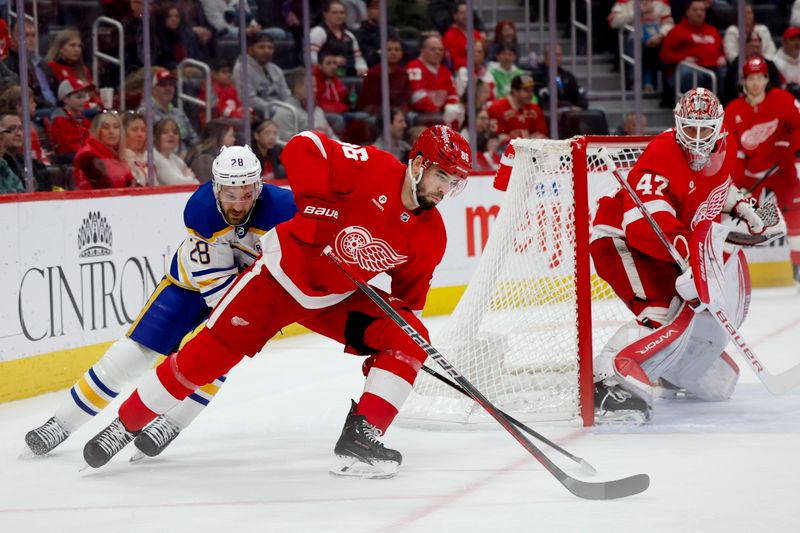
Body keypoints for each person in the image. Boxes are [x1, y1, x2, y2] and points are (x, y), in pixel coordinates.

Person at [82, 126, 473, 478]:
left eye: (455, 182)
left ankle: (362, 434)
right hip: (278, 279)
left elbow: (407, 306)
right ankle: (126, 422)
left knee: (411, 335)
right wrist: (315, 203)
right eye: (443, 176)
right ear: (419, 164)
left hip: (335, 300)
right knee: (207, 356)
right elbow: (304, 145)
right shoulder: (371, 165)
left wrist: (395, 356)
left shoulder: (431, 236)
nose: (445, 189)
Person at [25, 145, 297, 458]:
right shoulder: (202, 210)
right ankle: (61, 422)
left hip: (247, 293)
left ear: (259, 188)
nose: (237, 204)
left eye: (245, 193)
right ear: (216, 187)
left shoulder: (285, 209)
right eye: (229, 193)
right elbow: (218, 293)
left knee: (216, 352)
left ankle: (172, 421)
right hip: (189, 286)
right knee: (133, 353)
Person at [589, 87, 779, 423]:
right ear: (678, 124)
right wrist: (694, 262)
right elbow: (643, 225)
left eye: (704, 131)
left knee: (686, 313)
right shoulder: (661, 154)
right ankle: (606, 381)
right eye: (689, 129)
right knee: (660, 311)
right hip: (620, 239)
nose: (696, 139)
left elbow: (720, 185)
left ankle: (673, 369)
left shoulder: (725, 147)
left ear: (718, 129)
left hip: (662, 245)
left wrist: (742, 206)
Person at [724, 57, 800, 283]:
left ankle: (798, 265)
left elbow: (798, 129)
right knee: (738, 222)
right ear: (744, 82)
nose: (755, 83)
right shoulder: (733, 110)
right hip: (749, 177)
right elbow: (732, 151)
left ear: (767, 79)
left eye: (760, 78)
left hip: (782, 172)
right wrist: (739, 186)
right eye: (751, 79)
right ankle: (723, 270)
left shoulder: (784, 100)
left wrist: (790, 147)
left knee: (795, 214)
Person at [659, 0, 725, 102]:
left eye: (702, 10)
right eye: (695, 10)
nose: (699, 13)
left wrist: (722, 57)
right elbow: (664, 55)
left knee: (725, 72)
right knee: (691, 73)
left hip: (712, 68)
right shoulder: (676, 31)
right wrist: (683, 59)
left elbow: (721, 51)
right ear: (687, 12)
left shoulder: (713, 31)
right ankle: (693, 111)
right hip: (687, 71)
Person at [406, 35, 464, 128]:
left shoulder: (445, 71)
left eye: (440, 50)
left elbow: (453, 94)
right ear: (422, 51)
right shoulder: (414, 67)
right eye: (433, 49)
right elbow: (417, 97)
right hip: (421, 116)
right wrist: (438, 114)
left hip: (441, 115)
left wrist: (449, 108)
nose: (438, 52)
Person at [138, 69, 199, 154]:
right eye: (163, 85)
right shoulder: (144, 113)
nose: (168, 88)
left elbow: (194, 140)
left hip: (186, 158)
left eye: (171, 85)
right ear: (152, 89)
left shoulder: (179, 113)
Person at [232, 31, 290, 120]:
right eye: (261, 47)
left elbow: (286, 95)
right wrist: (278, 110)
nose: (266, 51)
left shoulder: (276, 69)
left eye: (270, 48)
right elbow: (248, 100)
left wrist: (290, 108)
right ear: (250, 49)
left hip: (281, 110)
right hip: (258, 115)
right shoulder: (241, 69)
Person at [72, 111, 135, 189]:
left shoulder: (117, 156)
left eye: (116, 127)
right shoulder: (88, 155)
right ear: (97, 130)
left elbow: (131, 183)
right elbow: (104, 188)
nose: (111, 131)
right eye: (106, 127)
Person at [272, 70, 338, 142]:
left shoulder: (318, 110)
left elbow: (331, 136)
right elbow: (286, 144)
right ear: (298, 88)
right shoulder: (286, 111)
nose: (315, 90)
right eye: (312, 87)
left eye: (315, 86)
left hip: (325, 149)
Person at [310, 0, 368, 76]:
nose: (339, 16)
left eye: (342, 13)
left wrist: (363, 69)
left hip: (349, 75)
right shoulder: (318, 32)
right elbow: (311, 57)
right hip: (324, 76)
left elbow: (358, 59)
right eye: (334, 13)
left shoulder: (350, 35)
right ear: (325, 14)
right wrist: (331, 62)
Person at [356, 37, 410, 114]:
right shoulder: (373, 73)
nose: (393, 53)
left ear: (402, 54)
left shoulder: (404, 73)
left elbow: (405, 98)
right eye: (389, 50)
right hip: (376, 112)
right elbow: (366, 102)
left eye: (397, 50)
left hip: (398, 111)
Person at [487, 75, 548, 141]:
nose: (531, 94)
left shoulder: (535, 109)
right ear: (514, 91)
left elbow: (542, 135)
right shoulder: (496, 108)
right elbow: (496, 137)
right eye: (526, 90)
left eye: (532, 90)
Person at [532, 44, 588, 110]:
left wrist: (580, 107)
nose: (557, 58)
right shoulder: (536, 76)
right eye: (554, 55)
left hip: (567, 114)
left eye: (559, 55)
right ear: (545, 57)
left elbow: (579, 93)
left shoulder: (567, 76)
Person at [48, 78, 93, 158]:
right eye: (79, 97)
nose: (84, 100)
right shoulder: (60, 120)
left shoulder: (82, 119)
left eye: (85, 96)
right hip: (68, 162)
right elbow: (72, 147)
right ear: (66, 99)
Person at [153, 118, 199, 186]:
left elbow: (196, 183)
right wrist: (190, 177)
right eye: (165, 132)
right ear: (156, 136)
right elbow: (177, 183)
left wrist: (188, 178)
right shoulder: (154, 157)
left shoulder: (175, 159)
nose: (171, 135)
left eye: (175, 132)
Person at [442, 1, 483, 71]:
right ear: (455, 16)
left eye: (468, 12)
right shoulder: (449, 36)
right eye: (462, 13)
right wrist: (473, 62)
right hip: (460, 73)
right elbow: (453, 61)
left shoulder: (476, 34)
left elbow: (483, 55)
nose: (466, 15)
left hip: (479, 70)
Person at [123, 111, 149, 186]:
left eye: (143, 130)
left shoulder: (148, 157)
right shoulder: (121, 159)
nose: (140, 134)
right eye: (135, 130)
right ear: (124, 133)